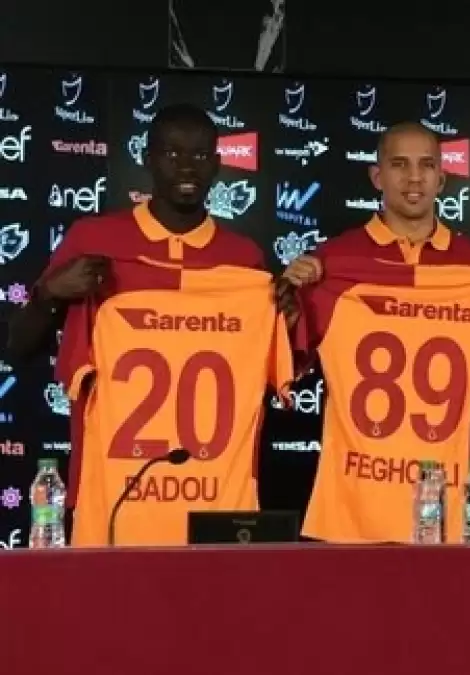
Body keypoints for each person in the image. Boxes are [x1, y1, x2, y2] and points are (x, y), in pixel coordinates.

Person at [6, 103, 292, 545]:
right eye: (172, 153)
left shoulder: (244, 261)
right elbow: (17, 348)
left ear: (218, 164)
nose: (186, 167)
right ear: (146, 157)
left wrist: (282, 314)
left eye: (200, 155)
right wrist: (49, 294)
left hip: (216, 502)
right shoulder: (93, 240)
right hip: (113, 498)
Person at [278, 122, 470, 543]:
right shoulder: (332, 264)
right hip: (354, 498)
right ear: (377, 176)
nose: (414, 178)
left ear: (441, 178)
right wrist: (290, 302)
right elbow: (287, 365)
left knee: (447, 586)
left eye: (426, 165)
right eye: (399, 164)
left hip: (449, 493)